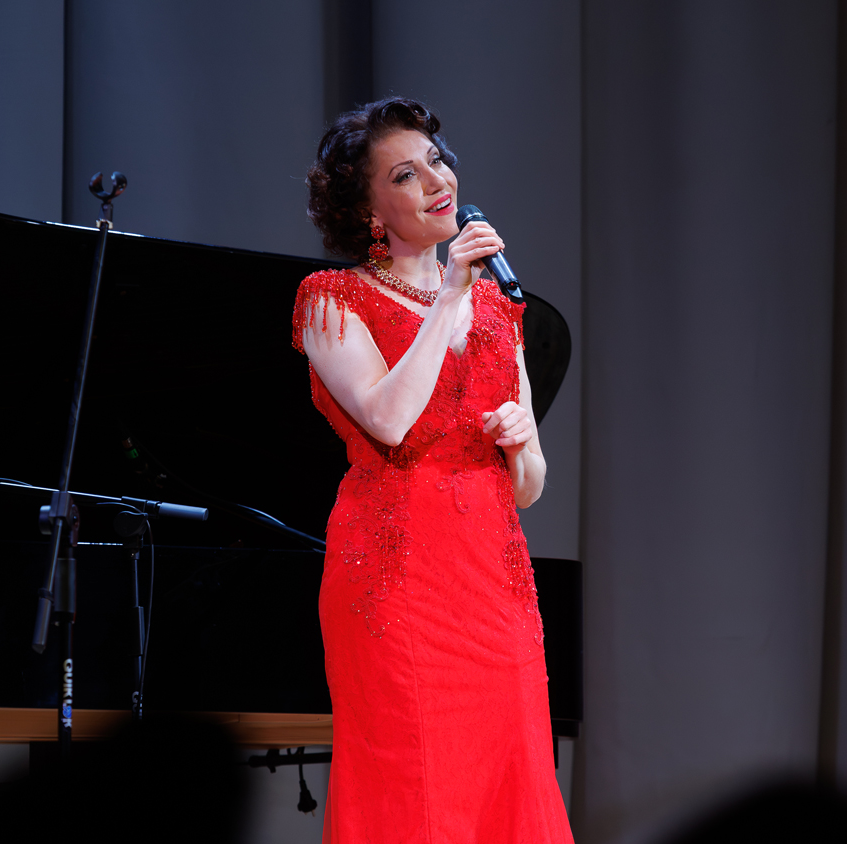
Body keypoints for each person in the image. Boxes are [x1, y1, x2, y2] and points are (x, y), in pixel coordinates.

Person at [295, 97, 573, 843]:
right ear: (368, 211)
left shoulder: (499, 309)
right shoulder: (332, 301)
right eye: (405, 175)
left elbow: (527, 488)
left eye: (437, 162)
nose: (436, 181)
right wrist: (447, 297)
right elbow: (387, 420)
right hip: (398, 582)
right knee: (411, 781)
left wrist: (522, 442)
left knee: (513, 775)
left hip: (494, 584)